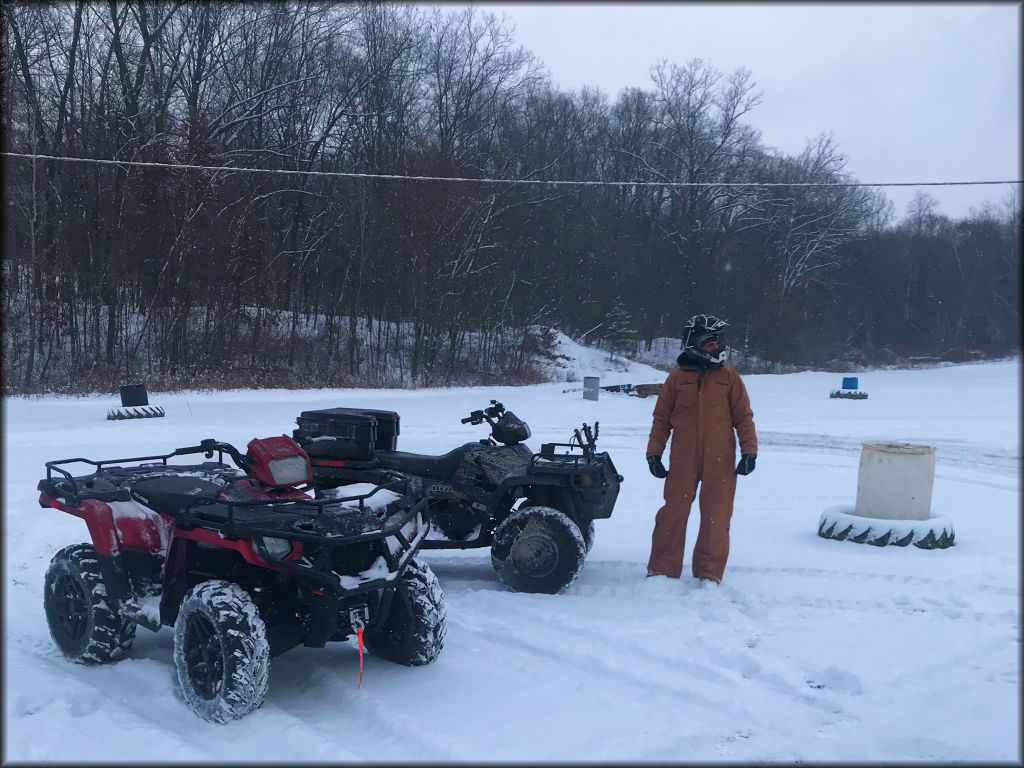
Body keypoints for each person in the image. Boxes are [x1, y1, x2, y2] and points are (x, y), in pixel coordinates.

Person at [645, 314, 757, 584]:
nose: (716, 349)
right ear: (694, 344)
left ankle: (709, 573)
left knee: (716, 516)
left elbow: (743, 417)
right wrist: (654, 453)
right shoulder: (676, 379)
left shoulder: (729, 378)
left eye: (717, 343)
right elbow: (661, 419)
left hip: (720, 460)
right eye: (709, 344)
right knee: (673, 513)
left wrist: (749, 451)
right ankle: (662, 570)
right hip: (683, 458)